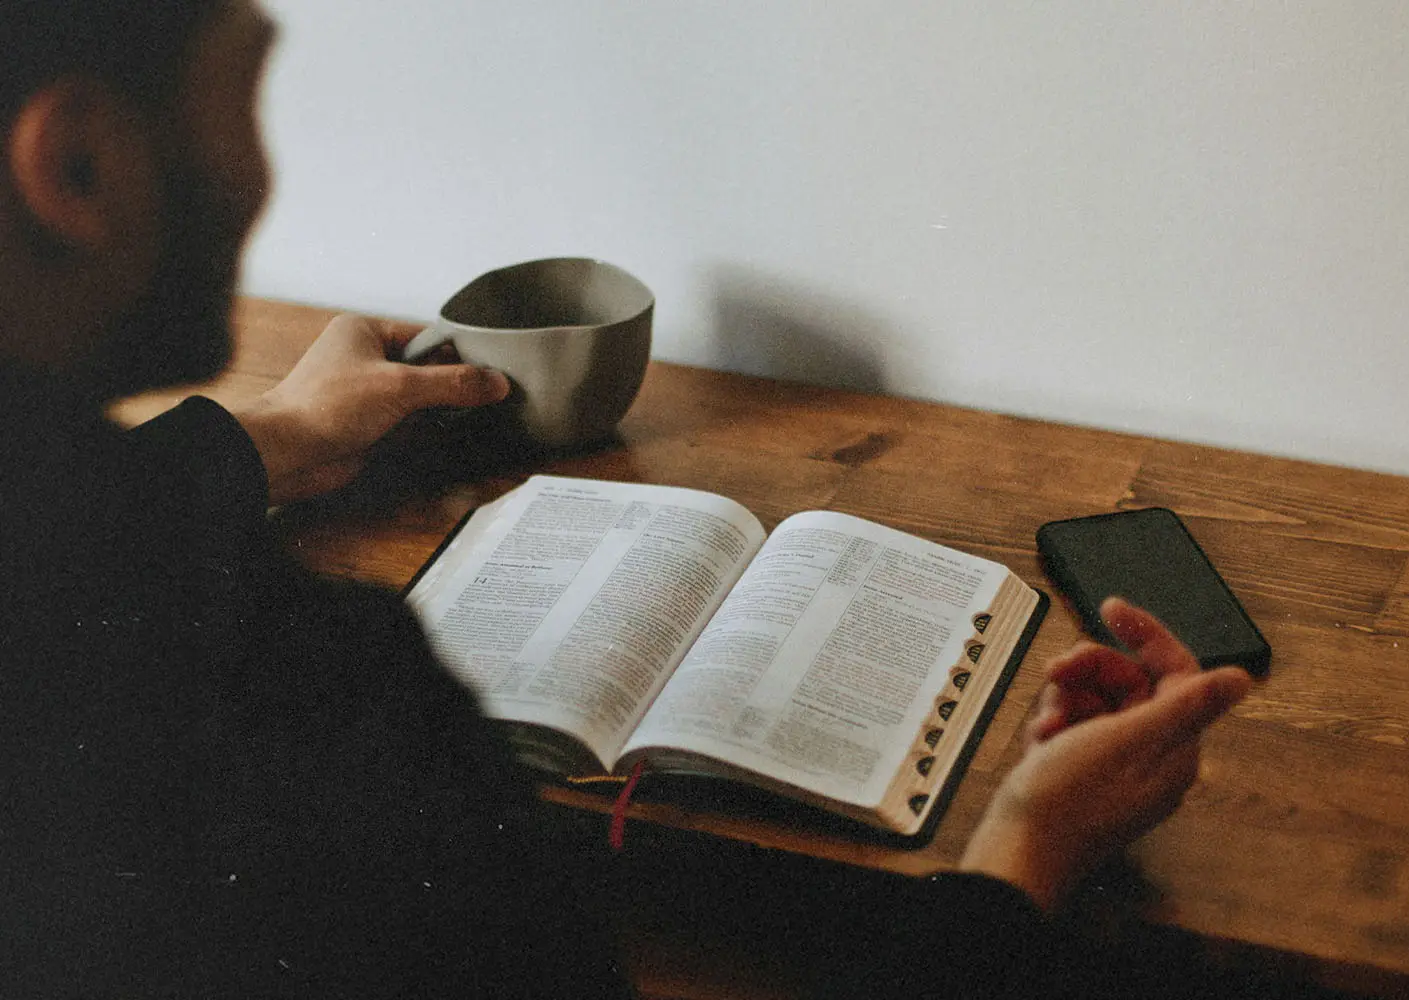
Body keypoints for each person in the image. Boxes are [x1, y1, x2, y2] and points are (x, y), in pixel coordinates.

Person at [0, 0, 1252, 996]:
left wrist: (281, 436)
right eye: (247, 74)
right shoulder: (317, 700)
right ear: (79, 162)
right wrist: (1027, 853)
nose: (259, 164)